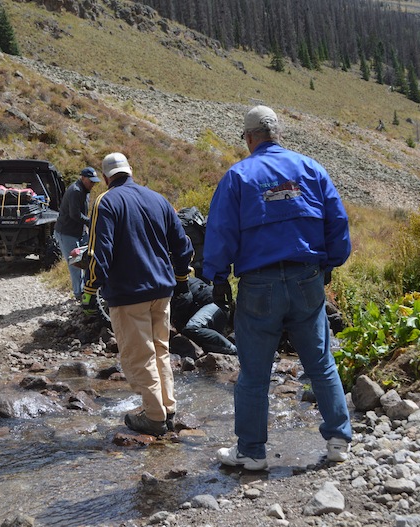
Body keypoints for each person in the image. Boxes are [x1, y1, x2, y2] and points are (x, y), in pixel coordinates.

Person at [202, 105, 353, 470]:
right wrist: (329, 263)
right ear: (276, 133)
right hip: (307, 278)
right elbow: (337, 220)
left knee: (254, 371)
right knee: (320, 362)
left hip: (258, 284)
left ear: (250, 137)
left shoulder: (238, 176)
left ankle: (252, 452)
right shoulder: (311, 169)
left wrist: (218, 277)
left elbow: (221, 232)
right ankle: (338, 440)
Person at [82, 152, 193, 436]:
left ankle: (154, 417)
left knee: (139, 356)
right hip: (162, 289)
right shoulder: (158, 199)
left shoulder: (106, 201)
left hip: (129, 293)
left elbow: (97, 252)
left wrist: (89, 290)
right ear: (131, 172)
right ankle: (168, 408)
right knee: (161, 352)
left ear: (106, 178)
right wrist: (181, 279)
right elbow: (183, 245)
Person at [54, 166, 100, 300]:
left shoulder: (85, 190)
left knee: (87, 261)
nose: (92, 184)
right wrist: (91, 222)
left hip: (79, 232)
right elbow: (75, 214)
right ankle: (79, 295)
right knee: (75, 264)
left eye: (94, 182)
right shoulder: (75, 190)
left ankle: (88, 291)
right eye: (90, 181)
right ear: (83, 178)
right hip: (67, 232)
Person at [171, 277, 236, 355]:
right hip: (210, 310)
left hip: (215, 305)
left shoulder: (174, 280)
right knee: (195, 336)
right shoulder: (171, 279)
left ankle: (232, 349)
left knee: (192, 328)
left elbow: (186, 298)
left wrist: (178, 323)